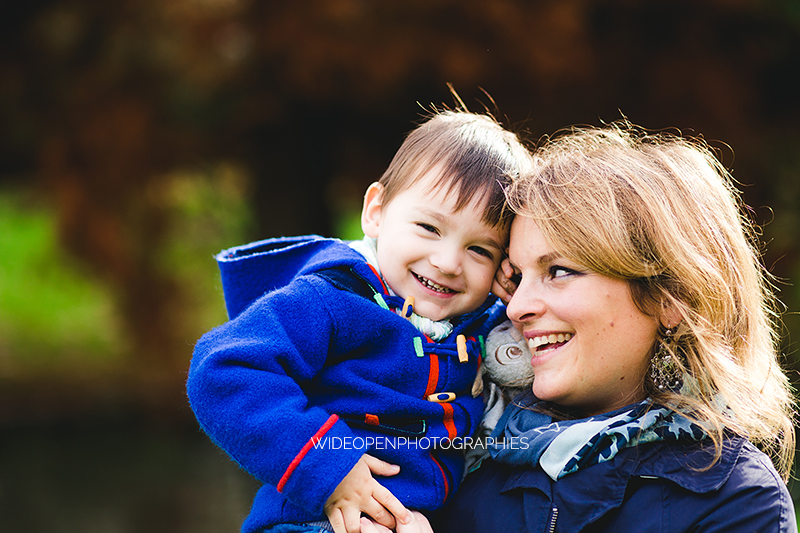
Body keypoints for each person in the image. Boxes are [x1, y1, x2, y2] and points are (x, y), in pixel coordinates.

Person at [425, 122, 796, 532]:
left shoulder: (737, 500)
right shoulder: (455, 456)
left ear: (669, 299)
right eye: (516, 277)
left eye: (559, 271)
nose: (518, 308)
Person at [186, 110, 532, 533]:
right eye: (428, 227)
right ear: (376, 211)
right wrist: (327, 466)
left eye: (480, 250)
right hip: (311, 521)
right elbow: (223, 369)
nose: (447, 263)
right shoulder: (334, 300)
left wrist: (521, 288)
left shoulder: (478, 321)